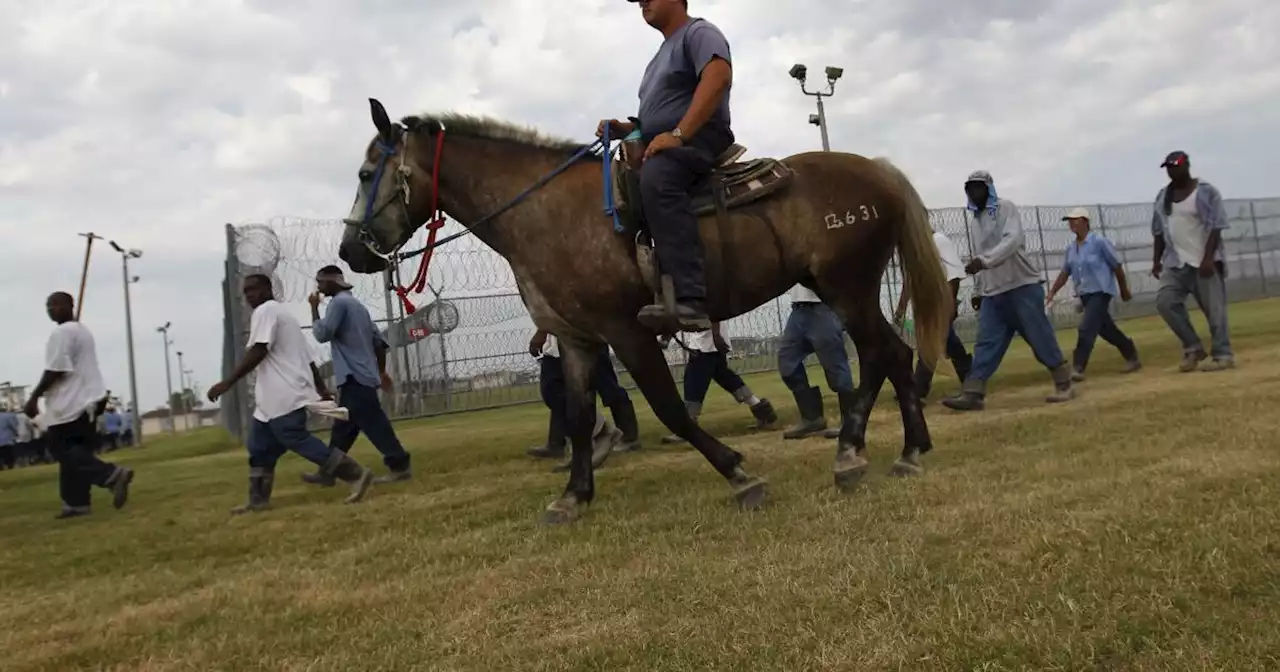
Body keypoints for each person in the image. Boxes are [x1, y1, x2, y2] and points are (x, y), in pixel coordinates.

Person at [599, 0, 736, 330]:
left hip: (700, 137)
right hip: (666, 141)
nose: (642, 2)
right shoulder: (654, 62)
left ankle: (690, 298)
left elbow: (718, 78)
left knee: (657, 179)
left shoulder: (698, 32)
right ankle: (656, 287)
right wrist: (626, 129)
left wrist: (678, 134)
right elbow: (652, 119)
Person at [208, 274, 374, 514]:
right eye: (245, 292)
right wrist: (321, 389)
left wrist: (228, 382)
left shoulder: (266, 311)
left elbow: (259, 350)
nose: (249, 296)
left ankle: (356, 474)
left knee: (294, 437)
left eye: (254, 289)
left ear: (268, 289)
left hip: (285, 393)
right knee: (258, 446)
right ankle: (258, 500)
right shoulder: (285, 316)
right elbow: (308, 359)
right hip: (271, 399)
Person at [942, 171, 1077, 411]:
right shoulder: (975, 221)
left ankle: (1064, 382)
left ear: (989, 188)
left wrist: (984, 260)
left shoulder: (1006, 209)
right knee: (986, 343)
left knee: (1039, 337)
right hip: (993, 294)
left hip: (1021, 286)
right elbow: (979, 259)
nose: (974, 193)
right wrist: (979, 290)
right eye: (969, 189)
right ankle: (973, 393)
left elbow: (1012, 241)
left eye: (978, 187)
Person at [24, 292, 134, 519]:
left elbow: (57, 369)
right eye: (48, 305)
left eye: (55, 304)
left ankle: (110, 475)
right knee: (76, 451)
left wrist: (34, 397)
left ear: (69, 306)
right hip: (91, 398)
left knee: (61, 448)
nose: (50, 309)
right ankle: (76, 502)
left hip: (71, 401)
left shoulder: (62, 332)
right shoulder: (81, 331)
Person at [301, 265, 412, 486]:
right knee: (344, 428)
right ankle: (328, 471)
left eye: (321, 282)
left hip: (353, 376)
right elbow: (378, 343)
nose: (319, 288)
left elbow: (323, 334)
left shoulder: (338, 303)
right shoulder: (358, 306)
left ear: (332, 281)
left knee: (374, 423)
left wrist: (314, 309)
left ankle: (399, 465)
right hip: (363, 375)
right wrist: (380, 371)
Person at [1150, 151, 1234, 372]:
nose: (1171, 169)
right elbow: (1158, 231)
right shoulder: (1162, 197)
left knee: (1214, 311)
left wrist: (1208, 259)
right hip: (1176, 263)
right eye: (1167, 166)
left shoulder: (1206, 192)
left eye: (1176, 165)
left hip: (1204, 262)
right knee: (1165, 302)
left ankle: (1223, 354)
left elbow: (1216, 227)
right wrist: (1156, 261)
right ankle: (1193, 347)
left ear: (1187, 165)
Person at [1045, 207, 1141, 379]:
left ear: (1085, 222)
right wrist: (1052, 291)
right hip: (1085, 294)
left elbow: (1116, 266)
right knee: (1106, 329)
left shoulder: (1099, 242)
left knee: (1086, 328)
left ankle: (1078, 367)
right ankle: (1131, 354)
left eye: (1076, 220)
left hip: (1101, 292)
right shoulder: (1071, 249)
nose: (1072, 223)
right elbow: (1065, 272)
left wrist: (1124, 289)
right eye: (1070, 221)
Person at [526, 329, 638, 471]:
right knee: (555, 391)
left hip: (583, 334)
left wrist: (542, 330)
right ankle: (562, 443)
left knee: (607, 387)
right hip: (557, 342)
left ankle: (625, 435)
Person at [660, 324, 776, 444]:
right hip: (710, 342)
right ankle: (763, 412)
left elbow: (713, 310)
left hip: (707, 343)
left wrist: (715, 334)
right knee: (726, 378)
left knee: (693, 382)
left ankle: (687, 428)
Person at [894, 230, 973, 399]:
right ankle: (970, 379)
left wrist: (950, 303)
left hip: (941, 302)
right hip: (926, 305)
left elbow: (954, 275)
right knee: (949, 343)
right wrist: (900, 310)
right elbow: (909, 281)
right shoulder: (914, 249)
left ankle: (919, 389)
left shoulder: (938, 241)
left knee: (931, 342)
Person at [775, 286, 854, 439]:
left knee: (835, 364)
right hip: (798, 308)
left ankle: (850, 422)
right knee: (787, 361)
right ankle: (812, 419)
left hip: (823, 307)